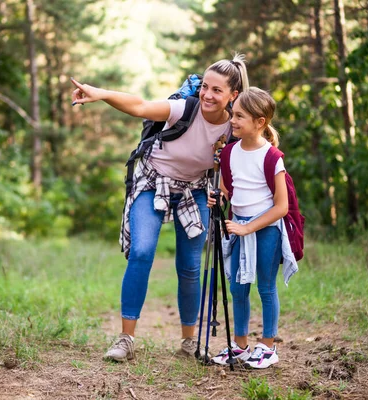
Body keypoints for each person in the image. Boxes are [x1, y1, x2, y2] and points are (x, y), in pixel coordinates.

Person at [71, 54, 249, 362]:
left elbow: (247, 159)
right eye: (205, 86)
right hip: (153, 181)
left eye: (217, 91)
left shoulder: (233, 129)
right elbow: (139, 106)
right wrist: (100, 94)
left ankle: (189, 342)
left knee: (191, 266)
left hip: (194, 190)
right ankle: (126, 339)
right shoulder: (185, 108)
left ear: (233, 95)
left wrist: (221, 195)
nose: (207, 95)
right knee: (141, 251)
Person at [207, 87, 298, 369]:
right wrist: (218, 197)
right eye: (232, 115)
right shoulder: (230, 153)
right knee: (238, 288)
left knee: (266, 287)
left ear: (260, 122)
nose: (232, 121)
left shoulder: (271, 157)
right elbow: (228, 190)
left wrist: (249, 228)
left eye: (239, 116)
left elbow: (281, 207)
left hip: (266, 228)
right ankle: (241, 346)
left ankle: (268, 347)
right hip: (238, 227)